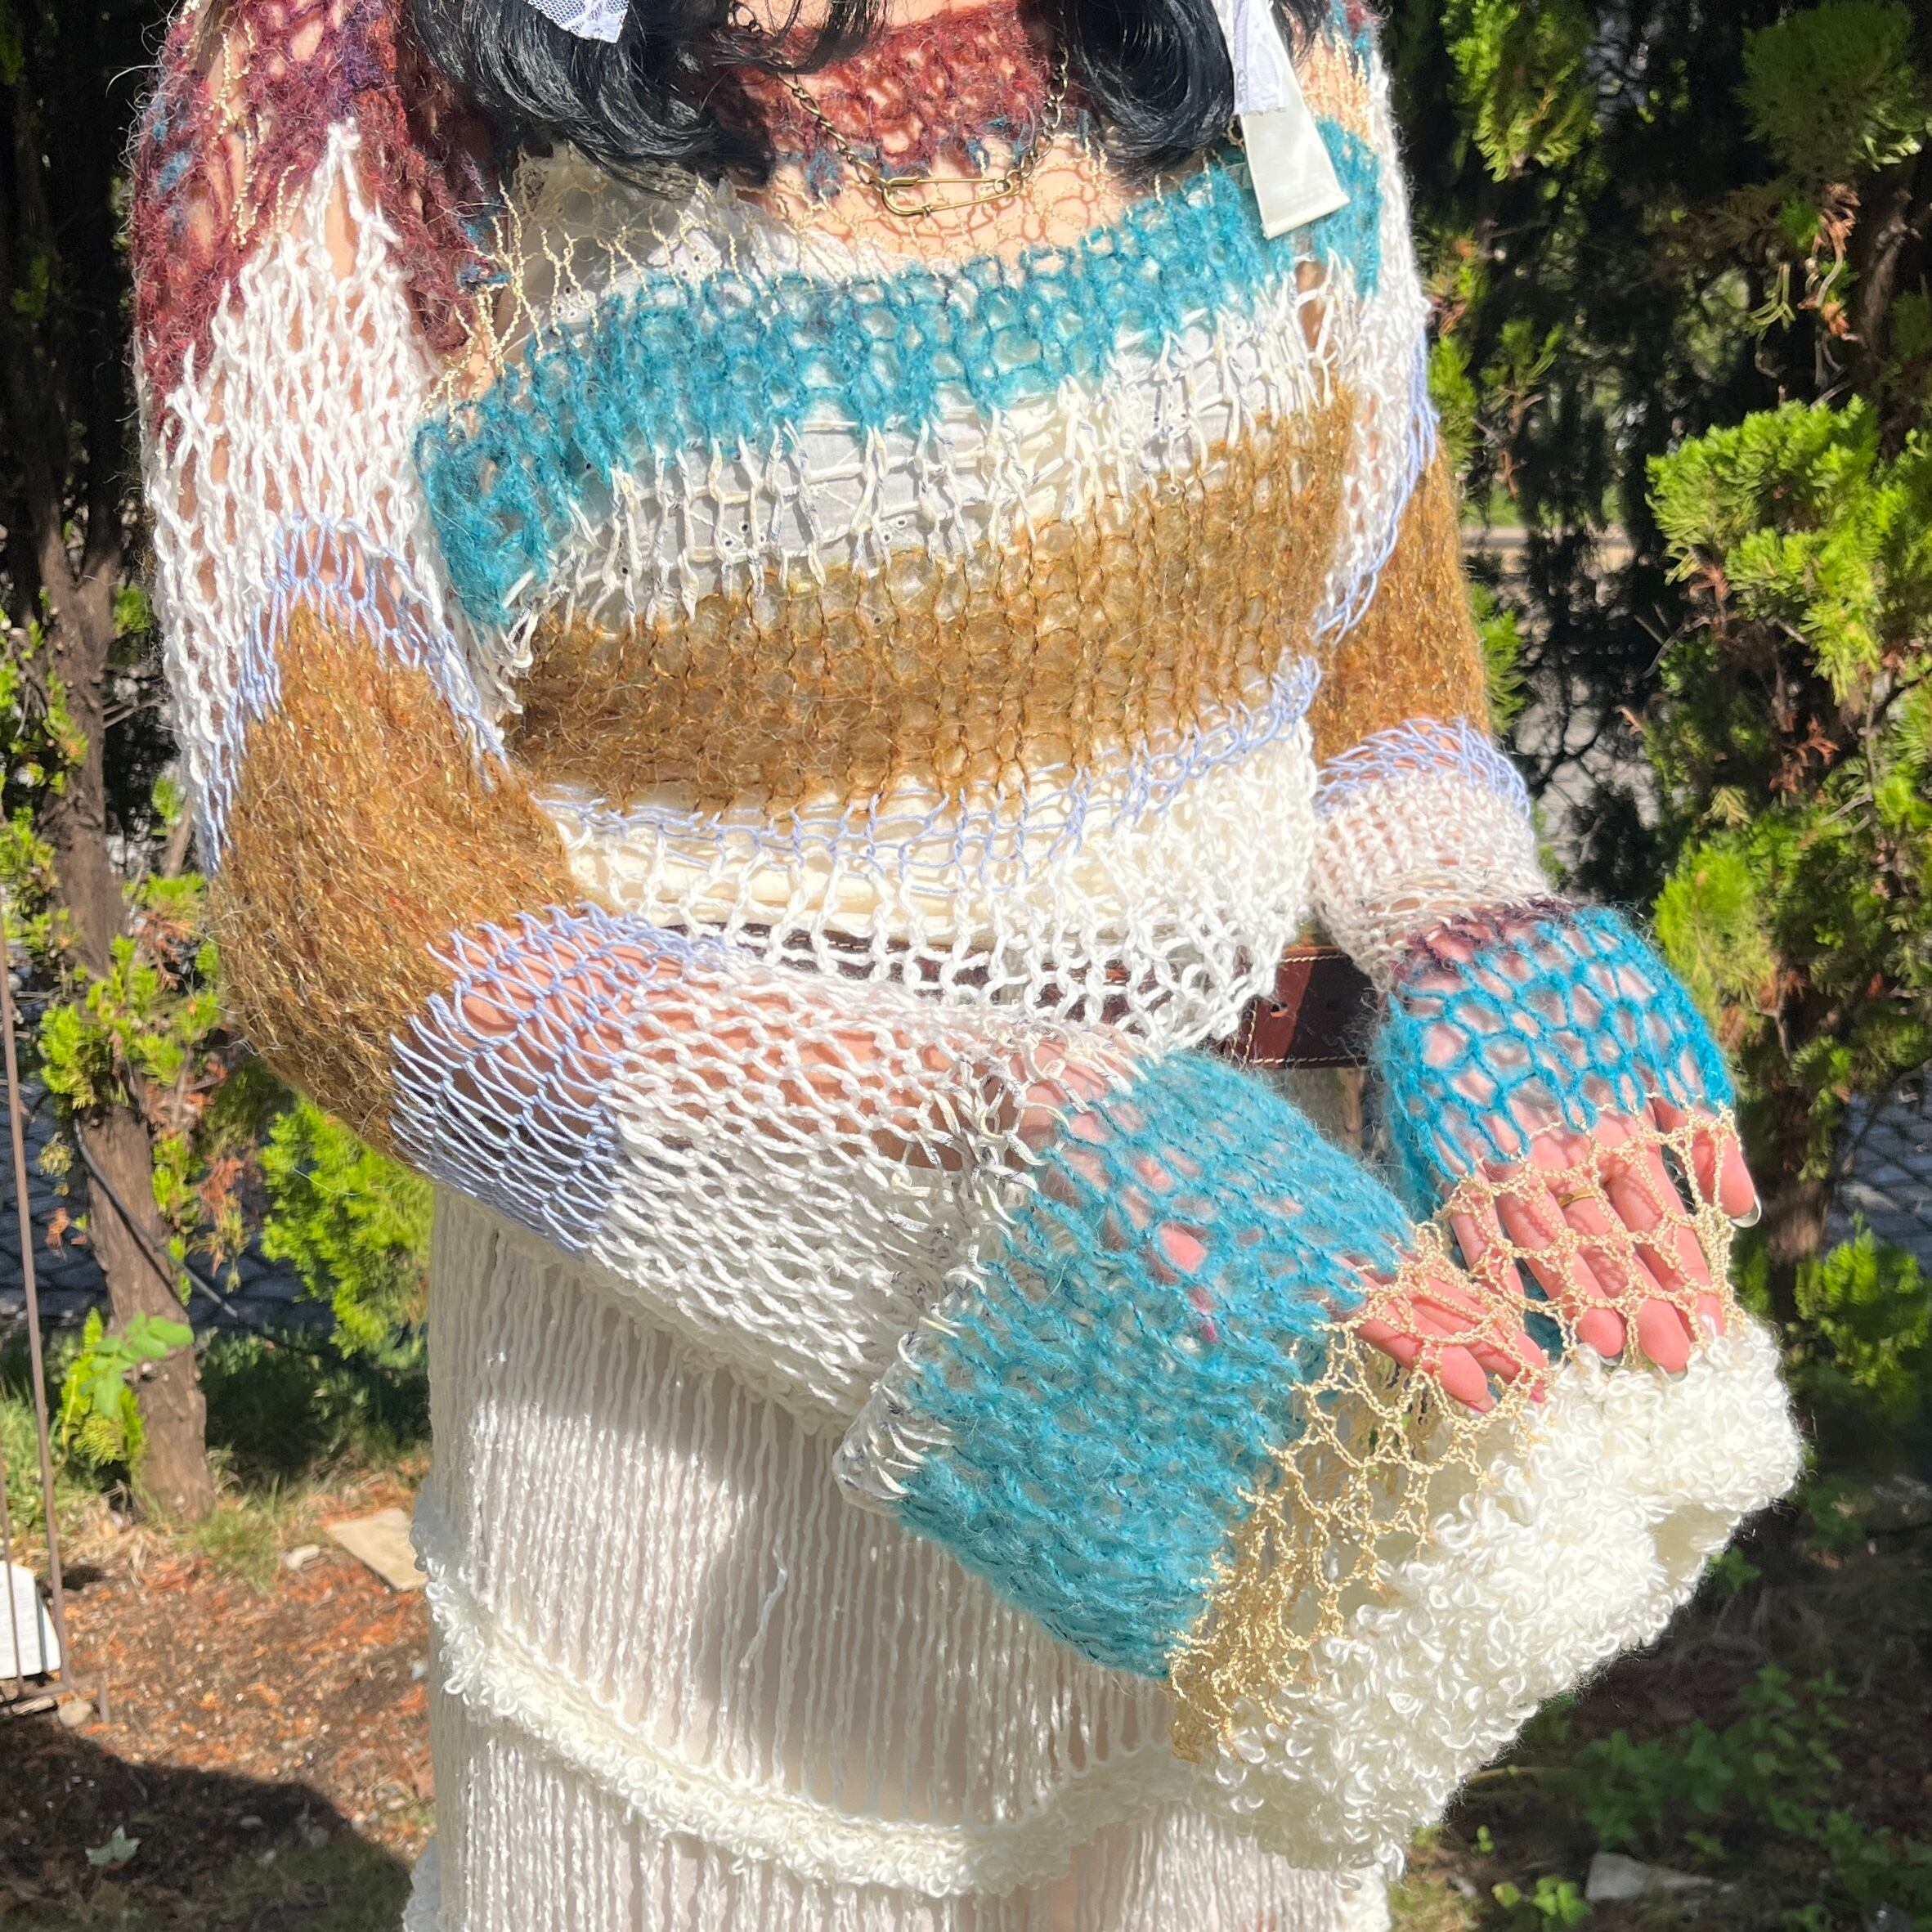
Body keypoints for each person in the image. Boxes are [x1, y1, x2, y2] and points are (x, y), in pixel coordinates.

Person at [131, 0, 1802, 1924]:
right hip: (715, 1478)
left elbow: (1369, 623)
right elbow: (354, 898)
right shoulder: (328, 72)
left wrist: (1461, 919)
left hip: (1261, 1351)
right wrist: (973, 1162)